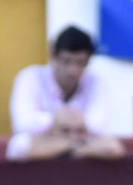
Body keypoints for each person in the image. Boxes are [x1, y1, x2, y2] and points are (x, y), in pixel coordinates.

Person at [6, 25, 108, 161]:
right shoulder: (30, 77)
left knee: (109, 145)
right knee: (20, 144)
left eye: (81, 63)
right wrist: (57, 120)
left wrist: (66, 131)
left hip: (80, 143)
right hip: (53, 142)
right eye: (67, 61)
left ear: (89, 61)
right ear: (53, 55)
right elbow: (22, 122)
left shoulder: (96, 81)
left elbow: (99, 125)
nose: (73, 70)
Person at [13, 105, 124, 161]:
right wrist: (72, 146)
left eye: (80, 130)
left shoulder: (87, 141)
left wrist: (78, 150)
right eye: (65, 130)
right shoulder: (36, 140)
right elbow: (19, 148)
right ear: (52, 130)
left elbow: (114, 149)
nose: (73, 136)